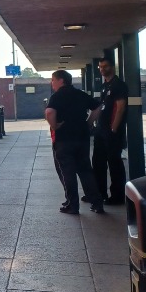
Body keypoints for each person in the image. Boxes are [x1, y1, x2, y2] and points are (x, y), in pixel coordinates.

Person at [45, 70, 104, 215]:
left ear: (61, 80)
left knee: (67, 173)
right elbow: (97, 107)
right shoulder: (80, 94)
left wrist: (54, 126)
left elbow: (49, 113)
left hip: (64, 140)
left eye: (53, 80)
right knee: (85, 170)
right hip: (82, 138)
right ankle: (97, 202)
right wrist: (89, 122)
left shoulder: (57, 96)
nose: (51, 83)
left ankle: (72, 204)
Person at [92, 58, 128, 206]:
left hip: (112, 132)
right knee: (98, 162)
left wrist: (114, 128)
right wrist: (90, 123)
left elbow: (120, 107)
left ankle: (118, 196)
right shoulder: (104, 86)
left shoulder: (119, 85)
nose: (102, 69)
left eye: (105, 66)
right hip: (101, 130)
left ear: (112, 67)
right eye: (100, 67)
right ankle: (100, 194)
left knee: (114, 163)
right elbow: (101, 107)